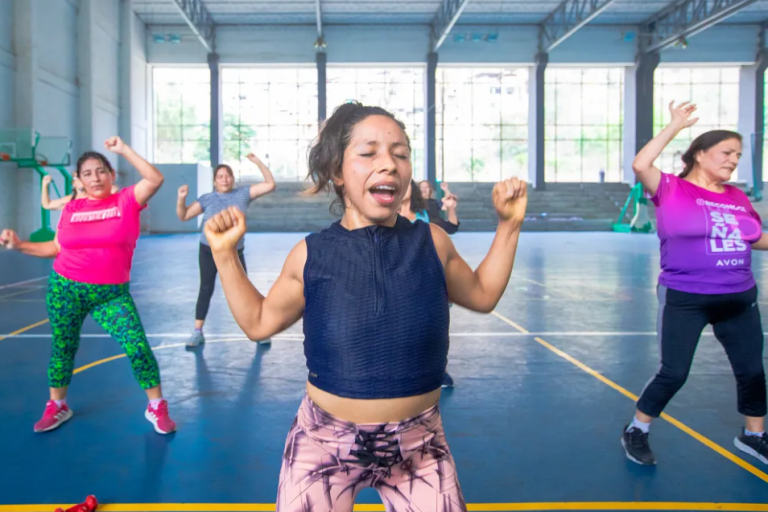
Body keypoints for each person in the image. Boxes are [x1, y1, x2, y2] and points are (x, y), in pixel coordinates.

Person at [203, 102, 527, 511]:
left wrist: (509, 225)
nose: (389, 164)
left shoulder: (432, 243)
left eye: (401, 153)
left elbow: (482, 294)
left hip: (419, 447)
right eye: (369, 152)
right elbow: (258, 322)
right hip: (323, 445)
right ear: (338, 172)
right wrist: (225, 255)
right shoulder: (311, 254)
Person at [623, 101, 768, 466]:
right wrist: (674, 125)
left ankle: (754, 436)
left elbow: (755, 237)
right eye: (726, 152)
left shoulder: (736, 197)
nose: (733, 160)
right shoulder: (671, 188)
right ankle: (637, 429)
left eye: (737, 154)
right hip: (686, 297)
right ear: (700, 154)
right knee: (674, 372)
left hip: (738, 296)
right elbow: (641, 164)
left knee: (752, 369)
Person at [0, 137, 176, 435]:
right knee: (63, 347)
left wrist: (122, 150)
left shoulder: (127, 201)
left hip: (111, 294)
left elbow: (155, 178)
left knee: (136, 346)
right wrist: (19, 245)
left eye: (101, 171)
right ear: (79, 180)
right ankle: (58, 406)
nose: (95, 178)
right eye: (88, 173)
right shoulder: (71, 209)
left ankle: (155, 405)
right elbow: (55, 247)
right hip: (65, 289)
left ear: (112, 175)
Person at [176, 153, 276, 347]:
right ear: (214, 181)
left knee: (243, 292)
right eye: (220, 176)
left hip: (234, 252)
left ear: (232, 179)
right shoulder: (207, 198)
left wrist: (257, 162)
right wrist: (181, 199)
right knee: (206, 288)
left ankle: (258, 331)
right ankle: (197, 331)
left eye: (228, 175)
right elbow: (184, 215)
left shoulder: (243, 194)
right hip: (208, 250)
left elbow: (270, 184)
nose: (224, 179)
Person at [400, 180, 460, 388]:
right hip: (396, 281)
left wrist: (451, 209)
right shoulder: (381, 215)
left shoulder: (425, 216)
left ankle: (437, 371)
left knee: (432, 328)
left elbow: (450, 227)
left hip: (426, 279)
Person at [41, 174, 118, 211]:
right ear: (73, 183)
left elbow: (114, 190)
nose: (79, 179)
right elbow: (47, 205)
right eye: (76, 177)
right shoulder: (71, 200)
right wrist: (44, 185)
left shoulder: (95, 195)